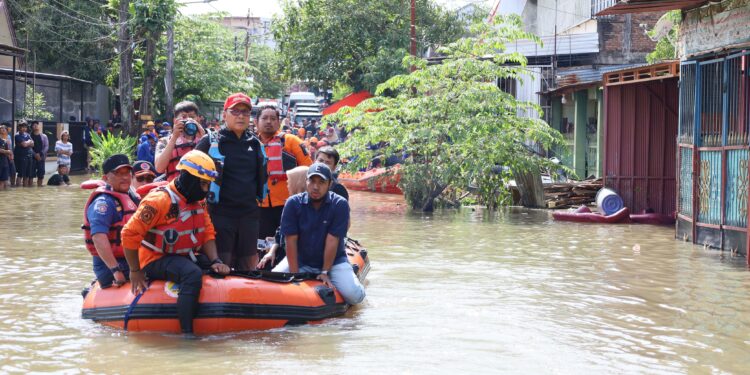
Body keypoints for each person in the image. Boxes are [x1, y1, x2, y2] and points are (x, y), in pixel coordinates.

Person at [121, 150, 230, 337]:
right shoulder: (159, 201)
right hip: (153, 258)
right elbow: (129, 234)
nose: (206, 190)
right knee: (192, 274)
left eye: (208, 184)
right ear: (188, 179)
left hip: (181, 255)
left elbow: (207, 232)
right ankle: (186, 333)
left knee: (214, 268)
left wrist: (215, 261)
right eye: (203, 184)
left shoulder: (198, 202)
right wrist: (135, 271)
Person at [272, 163, 365, 305]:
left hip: (334, 263)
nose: (316, 187)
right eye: (312, 181)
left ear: (330, 184)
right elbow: (290, 240)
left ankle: (353, 278)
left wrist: (325, 272)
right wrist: (295, 275)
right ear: (306, 182)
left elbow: (332, 240)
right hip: (301, 260)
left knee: (354, 296)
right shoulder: (293, 203)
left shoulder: (339, 204)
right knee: (272, 285)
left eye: (321, 182)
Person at [195, 93, 266, 271]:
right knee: (221, 264)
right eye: (235, 111)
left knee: (249, 266)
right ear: (224, 114)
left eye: (245, 112)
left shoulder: (256, 144)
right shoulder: (211, 142)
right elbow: (190, 172)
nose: (240, 116)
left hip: (250, 214)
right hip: (220, 214)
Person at [82, 154, 140, 288]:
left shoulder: (132, 197)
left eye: (127, 173)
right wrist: (115, 270)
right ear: (105, 178)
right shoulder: (103, 203)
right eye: (119, 174)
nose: (125, 177)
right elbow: (98, 237)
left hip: (129, 259)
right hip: (111, 267)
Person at [256, 105, 312, 242]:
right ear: (256, 122)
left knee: (287, 242)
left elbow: (310, 169)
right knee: (261, 244)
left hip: (287, 204)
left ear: (279, 122)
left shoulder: (291, 141)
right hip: (259, 206)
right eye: (264, 118)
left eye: (273, 118)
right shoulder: (251, 144)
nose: (269, 121)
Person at [257, 165, 308, 270]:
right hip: (284, 250)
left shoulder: (308, 208)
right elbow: (282, 231)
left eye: (289, 181)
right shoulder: (291, 204)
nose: (287, 185)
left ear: (297, 183)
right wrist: (272, 251)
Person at [155, 101, 206, 181]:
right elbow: (159, 168)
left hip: (198, 189)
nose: (188, 120)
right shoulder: (164, 141)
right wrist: (174, 138)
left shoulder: (205, 139)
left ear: (198, 119)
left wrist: (204, 137)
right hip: (174, 189)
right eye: (183, 117)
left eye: (192, 117)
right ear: (175, 120)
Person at [14, 121, 34, 187]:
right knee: (20, 174)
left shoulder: (27, 134)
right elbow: (24, 145)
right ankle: (18, 190)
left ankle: (24, 190)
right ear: (19, 127)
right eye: (22, 127)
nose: (24, 128)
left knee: (27, 175)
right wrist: (29, 142)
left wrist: (27, 142)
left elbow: (33, 144)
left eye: (25, 127)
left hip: (29, 156)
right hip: (21, 157)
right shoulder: (17, 135)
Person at [30, 121, 49, 187]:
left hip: (41, 158)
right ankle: (30, 188)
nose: (35, 126)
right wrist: (35, 154)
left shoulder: (44, 136)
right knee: (31, 174)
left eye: (36, 125)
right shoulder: (29, 136)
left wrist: (40, 154)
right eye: (34, 125)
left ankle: (39, 187)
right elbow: (29, 148)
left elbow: (46, 146)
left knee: (41, 174)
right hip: (32, 158)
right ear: (32, 127)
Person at [0, 124, 11, 189]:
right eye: (1, 128)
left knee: (3, 181)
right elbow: (7, 151)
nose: (3, 129)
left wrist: (9, 153)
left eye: (4, 128)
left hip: (4, 162)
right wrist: (7, 152)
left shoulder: (5, 141)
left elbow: (8, 152)